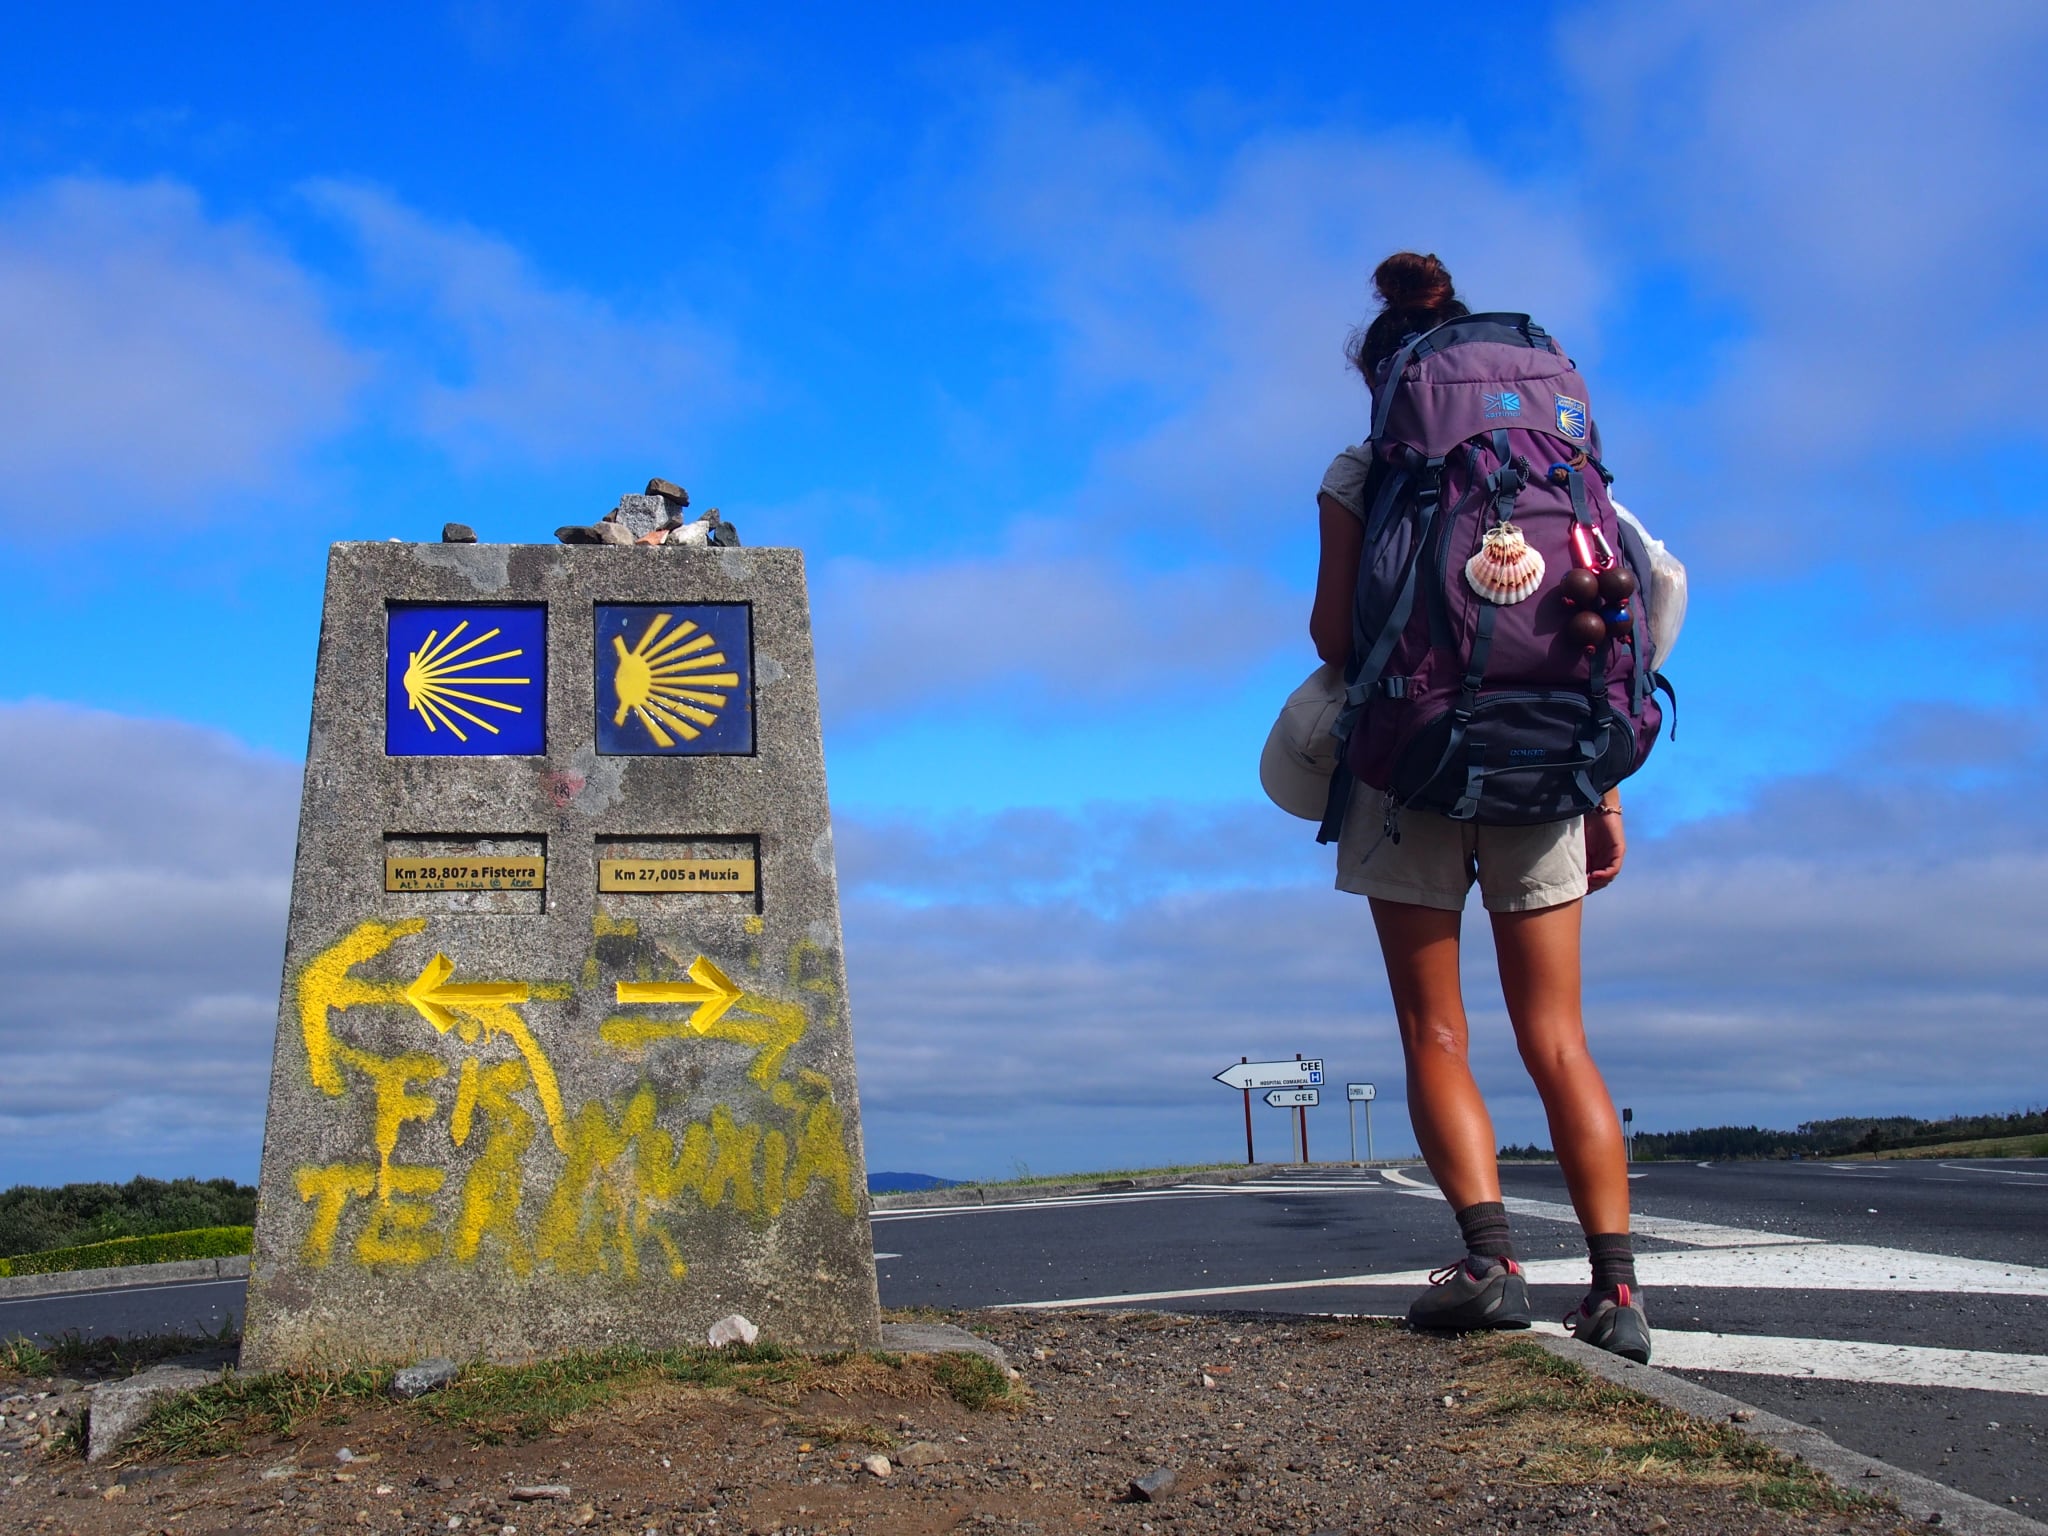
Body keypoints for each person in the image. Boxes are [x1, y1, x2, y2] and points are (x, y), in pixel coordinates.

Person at [1309, 252, 1649, 1363]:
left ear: (1387, 379)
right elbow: (1628, 606)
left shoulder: (1361, 470)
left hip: (1405, 766)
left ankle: (1489, 1266)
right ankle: (1616, 1291)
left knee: (1436, 1029)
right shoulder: (1565, 456)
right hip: (1551, 764)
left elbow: (1333, 635)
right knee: (1558, 1037)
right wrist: (1600, 789)